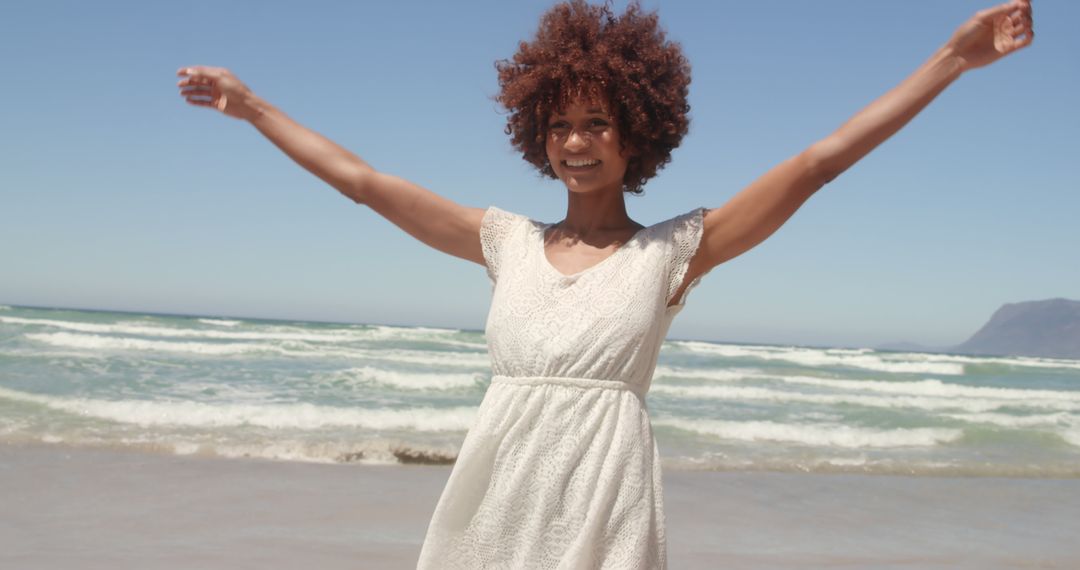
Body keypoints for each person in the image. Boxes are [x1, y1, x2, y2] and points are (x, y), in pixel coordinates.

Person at [176, 1, 1033, 567]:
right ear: (534, 134)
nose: (575, 143)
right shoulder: (502, 241)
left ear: (639, 136)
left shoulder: (673, 252)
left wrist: (948, 60)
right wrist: (253, 108)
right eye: (559, 125)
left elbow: (817, 163)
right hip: (497, 493)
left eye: (597, 123)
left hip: (603, 503)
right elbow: (363, 183)